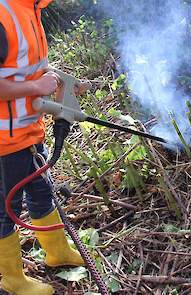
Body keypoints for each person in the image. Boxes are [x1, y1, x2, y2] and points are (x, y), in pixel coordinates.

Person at [0, 1, 85, 294]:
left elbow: (25, 67)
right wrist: (36, 88)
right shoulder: (3, 13)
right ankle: (13, 279)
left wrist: (61, 78)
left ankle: (57, 252)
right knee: (4, 210)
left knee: (42, 193)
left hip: (29, 132)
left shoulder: (30, 9)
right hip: (4, 142)